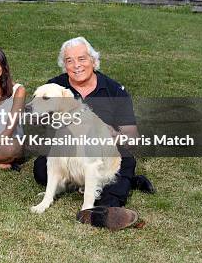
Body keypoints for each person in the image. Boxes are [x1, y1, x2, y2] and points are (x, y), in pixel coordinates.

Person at [33, 36, 155, 230]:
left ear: (93, 61)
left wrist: (110, 132)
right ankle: (93, 185)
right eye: (69, 60)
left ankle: (103, 210)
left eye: (82, 59)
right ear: (64, 65)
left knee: (125, 163)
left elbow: (132, 138)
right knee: (41, 168)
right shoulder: (56, 87)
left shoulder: (114, 90)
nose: (76, 65)